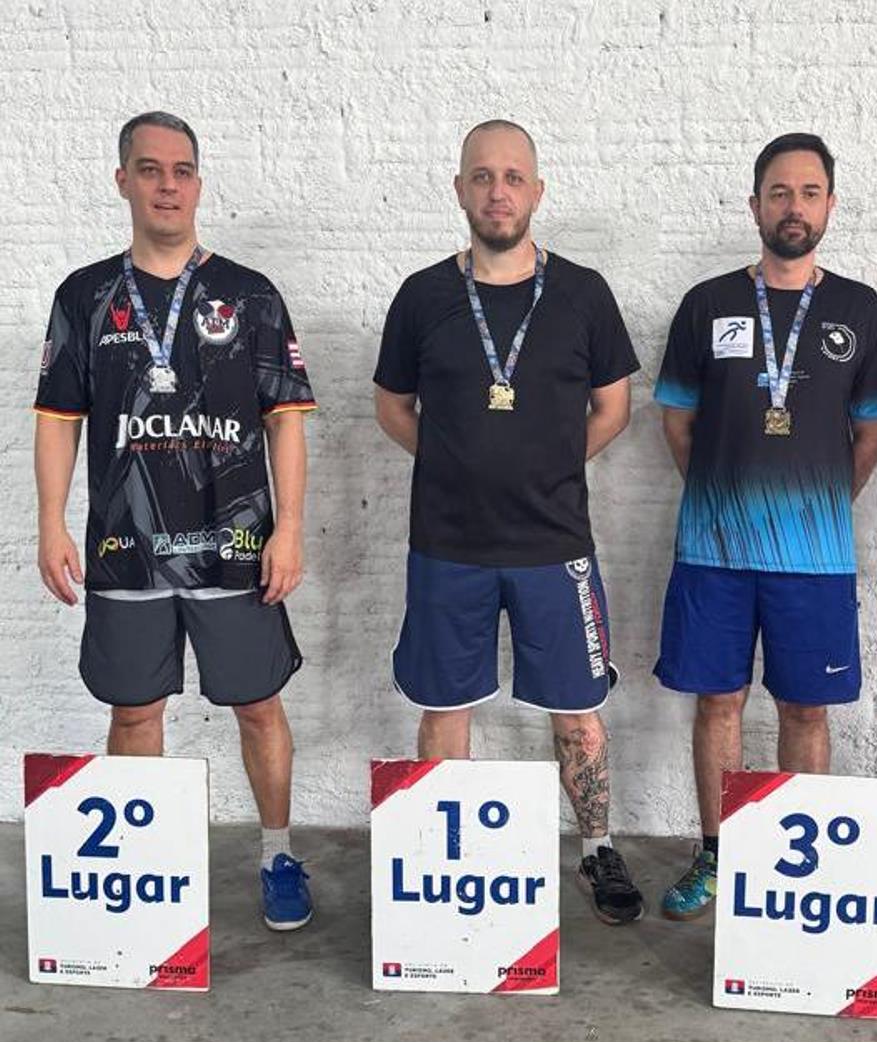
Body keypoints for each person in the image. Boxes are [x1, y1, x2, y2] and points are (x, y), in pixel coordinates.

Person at [34, 111, 317, 931]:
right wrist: (50, 523)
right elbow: (58, 419)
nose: (168, 185)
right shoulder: (84, 296)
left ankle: (277, 856)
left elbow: (286, 420)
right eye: (151, 169)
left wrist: (289, 529)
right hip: (125, 550)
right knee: (133, 712)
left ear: (198, 184)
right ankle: (139, 866)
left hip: (237, 546)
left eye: (182, 170)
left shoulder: (250, 295)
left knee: (258, 705)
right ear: (122, 179)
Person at [373, 119, 644, 925]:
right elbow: (392, 406)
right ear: (460, 189)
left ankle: (597, 848)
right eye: (483, 176)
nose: (499, 191)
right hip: (447, 544)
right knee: (444, 707)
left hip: (553, 543)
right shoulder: (423, 295)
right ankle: (444, 852)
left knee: (578, 711)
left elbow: (614, 407)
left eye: (514, 177)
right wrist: (454, 460)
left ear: (537, 191)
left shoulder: (583, 293)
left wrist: (548, 467)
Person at [653, 133, 877, 920]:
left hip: (814, 558)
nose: (795, 207)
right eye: (780, 192)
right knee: (717, 704)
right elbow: (678, 422)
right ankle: (717, 854)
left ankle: (798, 875)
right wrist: (723, 494)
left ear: (831, 205)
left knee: (805, 710)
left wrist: (820, 502)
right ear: (755, 204)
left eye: (810, 192)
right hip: (715, 550)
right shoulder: (706, 304)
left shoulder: (859, 309)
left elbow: (873, 433)